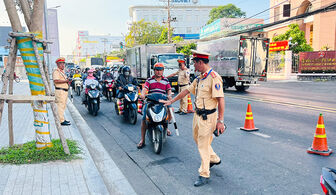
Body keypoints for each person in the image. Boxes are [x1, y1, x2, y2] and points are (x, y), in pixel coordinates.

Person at [160, 50, 225, 187]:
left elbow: (221, 100)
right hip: (197, 115)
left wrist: (220, 121)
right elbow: (186, 91)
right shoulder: (199, 78)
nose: (194, 67)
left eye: (195, 64)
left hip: (209, 116)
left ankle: (204, 174)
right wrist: (172, 101)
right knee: (197, 139)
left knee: (202, 144)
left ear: (201, 62)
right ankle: (213, 158)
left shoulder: (214, 77)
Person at [137, 63, 173, 149]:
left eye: (161, 70)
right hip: (151, 101)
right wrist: (143, 94)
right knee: (144, 119)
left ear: (163, 71)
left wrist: (170, 95)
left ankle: (166, 126)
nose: (159, 72)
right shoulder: (149, 80)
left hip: (162, 101)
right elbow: (145, 89)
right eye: (157, 70)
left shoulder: (166, 80)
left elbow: (169, 90)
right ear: (154, 70)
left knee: (170, 112)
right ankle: (142, 140)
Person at [52, 57, 71, 126]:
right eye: (61, 64)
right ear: (57, 64)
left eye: (63, 64)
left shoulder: (61, 72)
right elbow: (56, 80)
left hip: (64, 91)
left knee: (63, 106)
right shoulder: (56, 71)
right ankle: (61, 121)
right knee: (60, 105)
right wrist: (65, 81)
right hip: (60, 91)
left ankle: (62, 118)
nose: (63, 65)